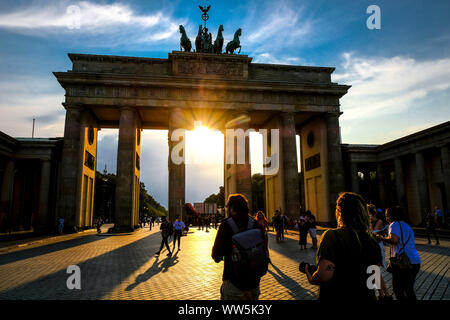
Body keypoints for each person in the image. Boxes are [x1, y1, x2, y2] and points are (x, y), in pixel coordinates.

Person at [304, 192, 382, 300]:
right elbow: (374, 280)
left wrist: (311, 277)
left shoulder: (332, 236)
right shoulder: (372, 240)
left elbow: (325, 274)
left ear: (339, 211)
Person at [212, 194, 268, 300]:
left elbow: (216, 256)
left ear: (232, 208)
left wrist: (226, 256)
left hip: (233, 283)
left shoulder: (225, 225)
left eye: (227, 207)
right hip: (254, 284)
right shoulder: (256, 224)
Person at [377, 206, 421, 300]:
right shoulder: (406, 225)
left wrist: (380, 238)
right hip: (414, 261)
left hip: (403, 263)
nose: (386, 218)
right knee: (409, 290)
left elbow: (394, 240)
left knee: (398, 290)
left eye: (387, 216)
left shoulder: (394, 224)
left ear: (392, 216)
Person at [367, 204, 392, 299]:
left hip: (377, 248)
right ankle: (382, 294)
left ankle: (386, 294)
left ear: (372, 213)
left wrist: (368, 224)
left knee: (375, 271)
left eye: (368, 213)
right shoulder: (369, 222)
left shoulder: (379, 221)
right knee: (375, 272)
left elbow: (373, 233)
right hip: (371, 248)